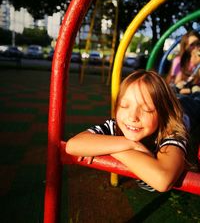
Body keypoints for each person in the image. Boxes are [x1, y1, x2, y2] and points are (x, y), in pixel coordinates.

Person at [66, 70, 200, 192]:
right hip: (175, 101)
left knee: (194, 98)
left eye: (146, 109)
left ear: (162, 115)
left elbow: (162, 181)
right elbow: (73, 145)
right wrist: (129, 144)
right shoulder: (117, 126)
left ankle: (191, 89)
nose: (132, 117)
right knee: (181, 91)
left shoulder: (172, 132)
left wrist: (107, 147)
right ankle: (184, 89)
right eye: (124, 106)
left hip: (187, 109)